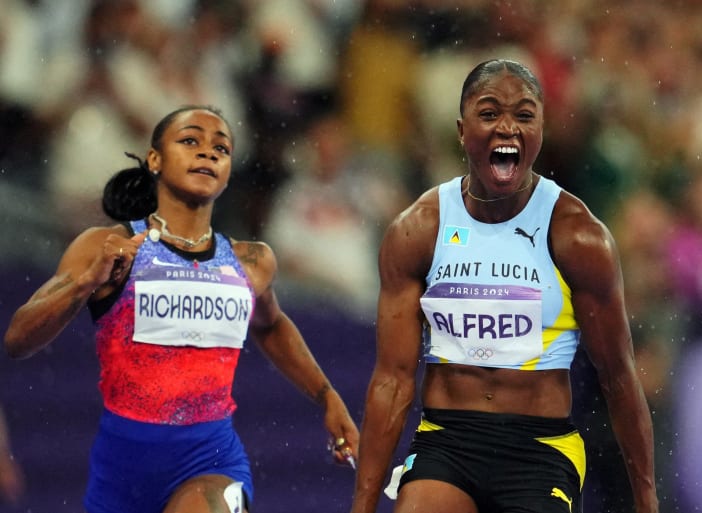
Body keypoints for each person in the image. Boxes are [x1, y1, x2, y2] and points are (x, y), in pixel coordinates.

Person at [3, 105, 359, 513]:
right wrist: (85, 283)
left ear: (227, 172)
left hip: (210, 460)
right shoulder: (107, 246)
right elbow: (18, 339)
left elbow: (271, 324)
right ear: (155, 159)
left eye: (220, 148)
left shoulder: (250, 261)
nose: (207, 153)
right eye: (190, 140)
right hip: (122, 471)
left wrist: (327, 397)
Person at [350, 59, 659, 513]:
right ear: (461, 129)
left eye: (524, 115)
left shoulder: (577, 237)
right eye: (490, 113)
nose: (507, 128)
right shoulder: (419, 229)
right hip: (446, 441)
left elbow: (618, 375)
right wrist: (362, 505)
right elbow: (393, 382)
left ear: (541, 129)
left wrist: (647, 501)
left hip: (541, 448)